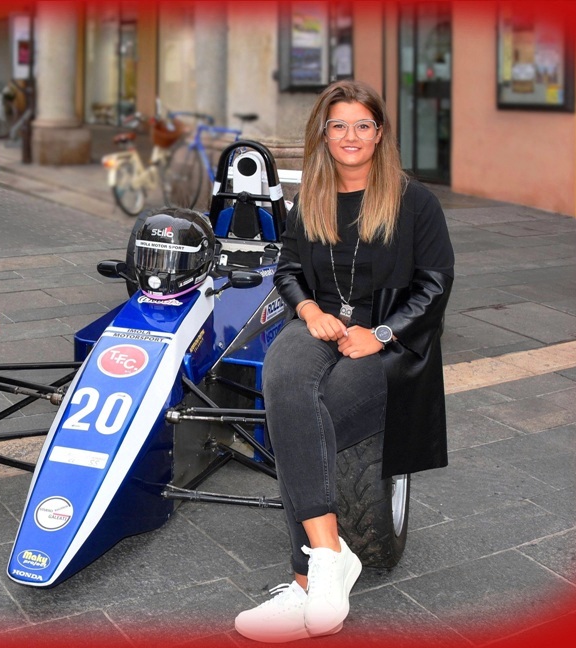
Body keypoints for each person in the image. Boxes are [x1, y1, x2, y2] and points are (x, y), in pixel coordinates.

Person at [234, 80, 454, 642]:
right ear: (323, 134)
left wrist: (381, 333)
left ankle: (304, 579)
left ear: (379, 134)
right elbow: (285, 266)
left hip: (389, 341)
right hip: (321, 323)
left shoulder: (414, 200)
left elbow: (434, 284)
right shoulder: (312, 194)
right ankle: (330, 555)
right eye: (338, 125)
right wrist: (307, 310)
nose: (350, 136)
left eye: (362, 125)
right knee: (282, 379)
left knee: (312, 416)